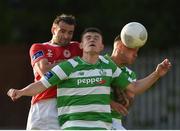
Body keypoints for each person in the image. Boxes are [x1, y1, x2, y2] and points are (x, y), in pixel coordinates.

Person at [7, 27, 171, 130]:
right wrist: (21, 91)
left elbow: (134, 88)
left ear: (101, 47)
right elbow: (42, 84)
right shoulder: (68, 66)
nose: (92, 39)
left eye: (96, 38)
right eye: (88, 37)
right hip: (73, 127)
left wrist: (157, 73)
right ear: (80, 46)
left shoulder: (109, 67)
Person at [27, 14, 82, 130]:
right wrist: (72, 63)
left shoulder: (77, 47)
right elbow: (45, 72)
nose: (66, 36)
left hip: (72, 105)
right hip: (45, 106)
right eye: (62, 31)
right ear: (53, 29)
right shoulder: (39, 47)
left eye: (70, 32)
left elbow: (95, 65)